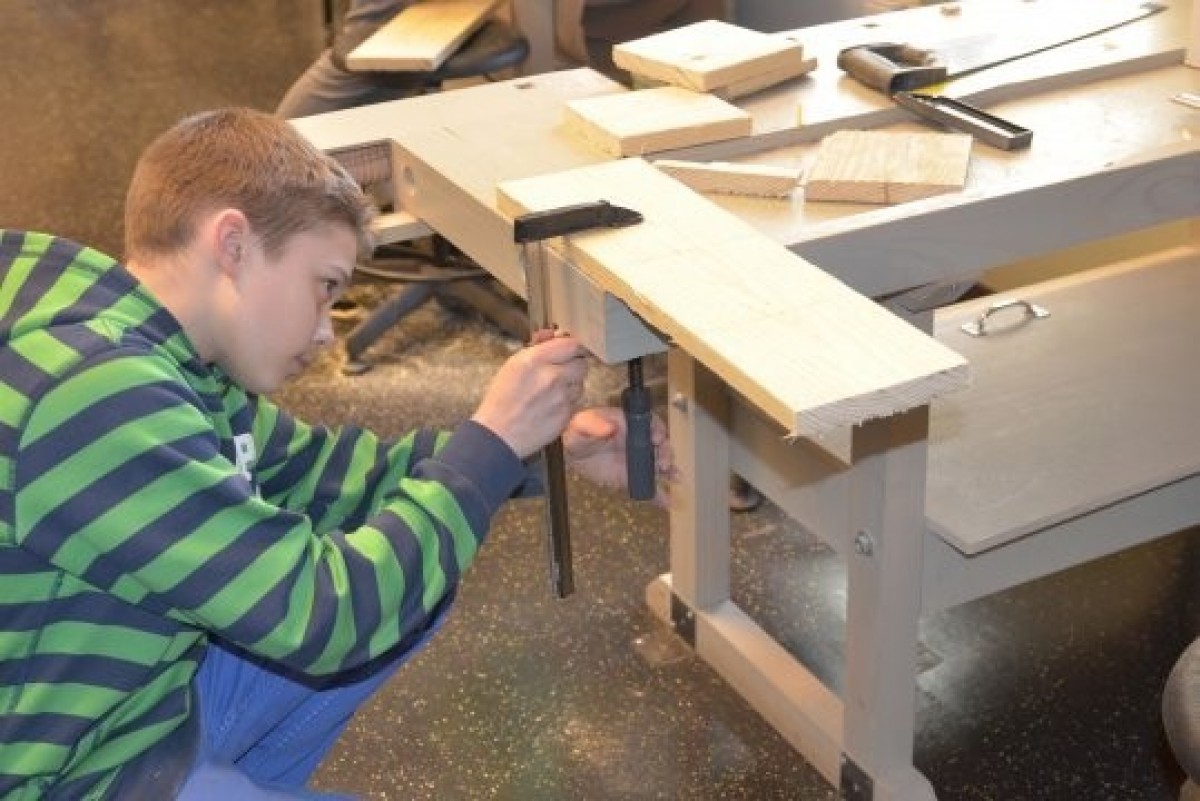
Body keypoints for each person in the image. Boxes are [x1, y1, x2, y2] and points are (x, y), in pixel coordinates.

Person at [0, 107, 672, 800]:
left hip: (136, 710)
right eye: (324, 286)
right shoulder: (96, 397)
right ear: (232, 244)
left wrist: (530, 449)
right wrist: (490, 444)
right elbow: (323, 614)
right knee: (379, 582)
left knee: (413, 564)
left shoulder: (168, 359)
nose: (326, 332)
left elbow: (331, 477)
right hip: (67, 777)